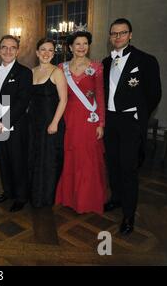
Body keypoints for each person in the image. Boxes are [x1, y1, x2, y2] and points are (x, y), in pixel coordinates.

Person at [102, 18, 162, 235]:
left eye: (122, 33)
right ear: (110, 37)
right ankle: (116, 198)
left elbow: (154, 93)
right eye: (114, 33)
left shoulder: (145, 60)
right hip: (110, 121)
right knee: (113, 163)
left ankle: (128, 215)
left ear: (130, 35)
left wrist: (139, 116)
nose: (117, 37)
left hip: (130, 122)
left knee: (128, 167)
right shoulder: (105, 62)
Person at [55, 31, 107, 215]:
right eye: (78, 44)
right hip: (69, 117)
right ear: (70, 47)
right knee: (71, 156)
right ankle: (69, 197)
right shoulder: (61, 68)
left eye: (85, 43)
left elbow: (100, 95)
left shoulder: (97, 67)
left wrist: (101, 122)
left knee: (88, 158)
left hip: (88, 118)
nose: (82, 47)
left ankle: (87, 199)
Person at [0, 35, 32, 212]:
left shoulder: (24, 72)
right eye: (4, 47)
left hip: (14, 126)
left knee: (18, 161)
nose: (8, 51)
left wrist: (4, 123)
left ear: (17, 50)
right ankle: (8, 191)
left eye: (12, 47)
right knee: (3, 159)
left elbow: (22, 102)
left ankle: (21, 196)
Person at [27, 38, 67, 208]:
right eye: (43, 49)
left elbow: (63, 100)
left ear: (53, 53)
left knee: (49, 160)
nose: (46, 53)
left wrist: (55, 122)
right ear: (37, 52)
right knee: (35, 158)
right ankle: (35, 195)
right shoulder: (30, 71)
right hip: (33, 122)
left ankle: (46, 198)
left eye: (50, 50)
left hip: (51, 121)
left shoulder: (57, 72)